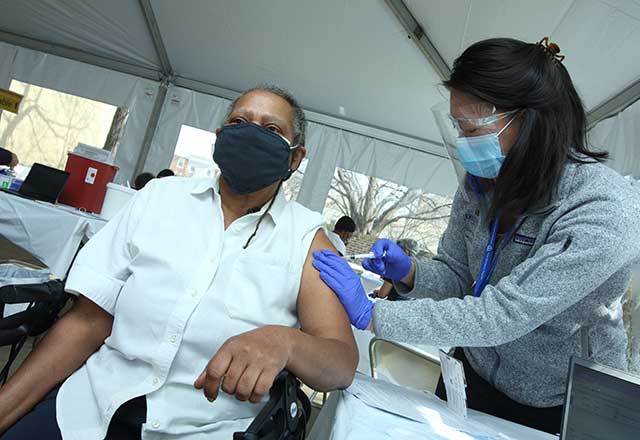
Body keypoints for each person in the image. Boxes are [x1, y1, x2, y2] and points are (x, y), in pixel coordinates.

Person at [312, 37, 640, 435]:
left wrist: (373, 314)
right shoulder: (482, 185)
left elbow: (506, 313)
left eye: (472, 129)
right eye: (457, 128)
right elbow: (460, 277)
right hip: (474, 371)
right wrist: (412, 275)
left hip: (560, 399)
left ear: (532, 120)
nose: (464, 144)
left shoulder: (602, 208)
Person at [0, 85, 357, 439]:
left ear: (294, 157)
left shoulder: (305, 238)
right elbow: (87, 322)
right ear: (219, 138)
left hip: (204, 428)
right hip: (90, 409)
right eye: (239, 121)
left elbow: (340, 362)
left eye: (272, 130)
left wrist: (286, 343)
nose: (252, 134)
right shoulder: (158, 199)